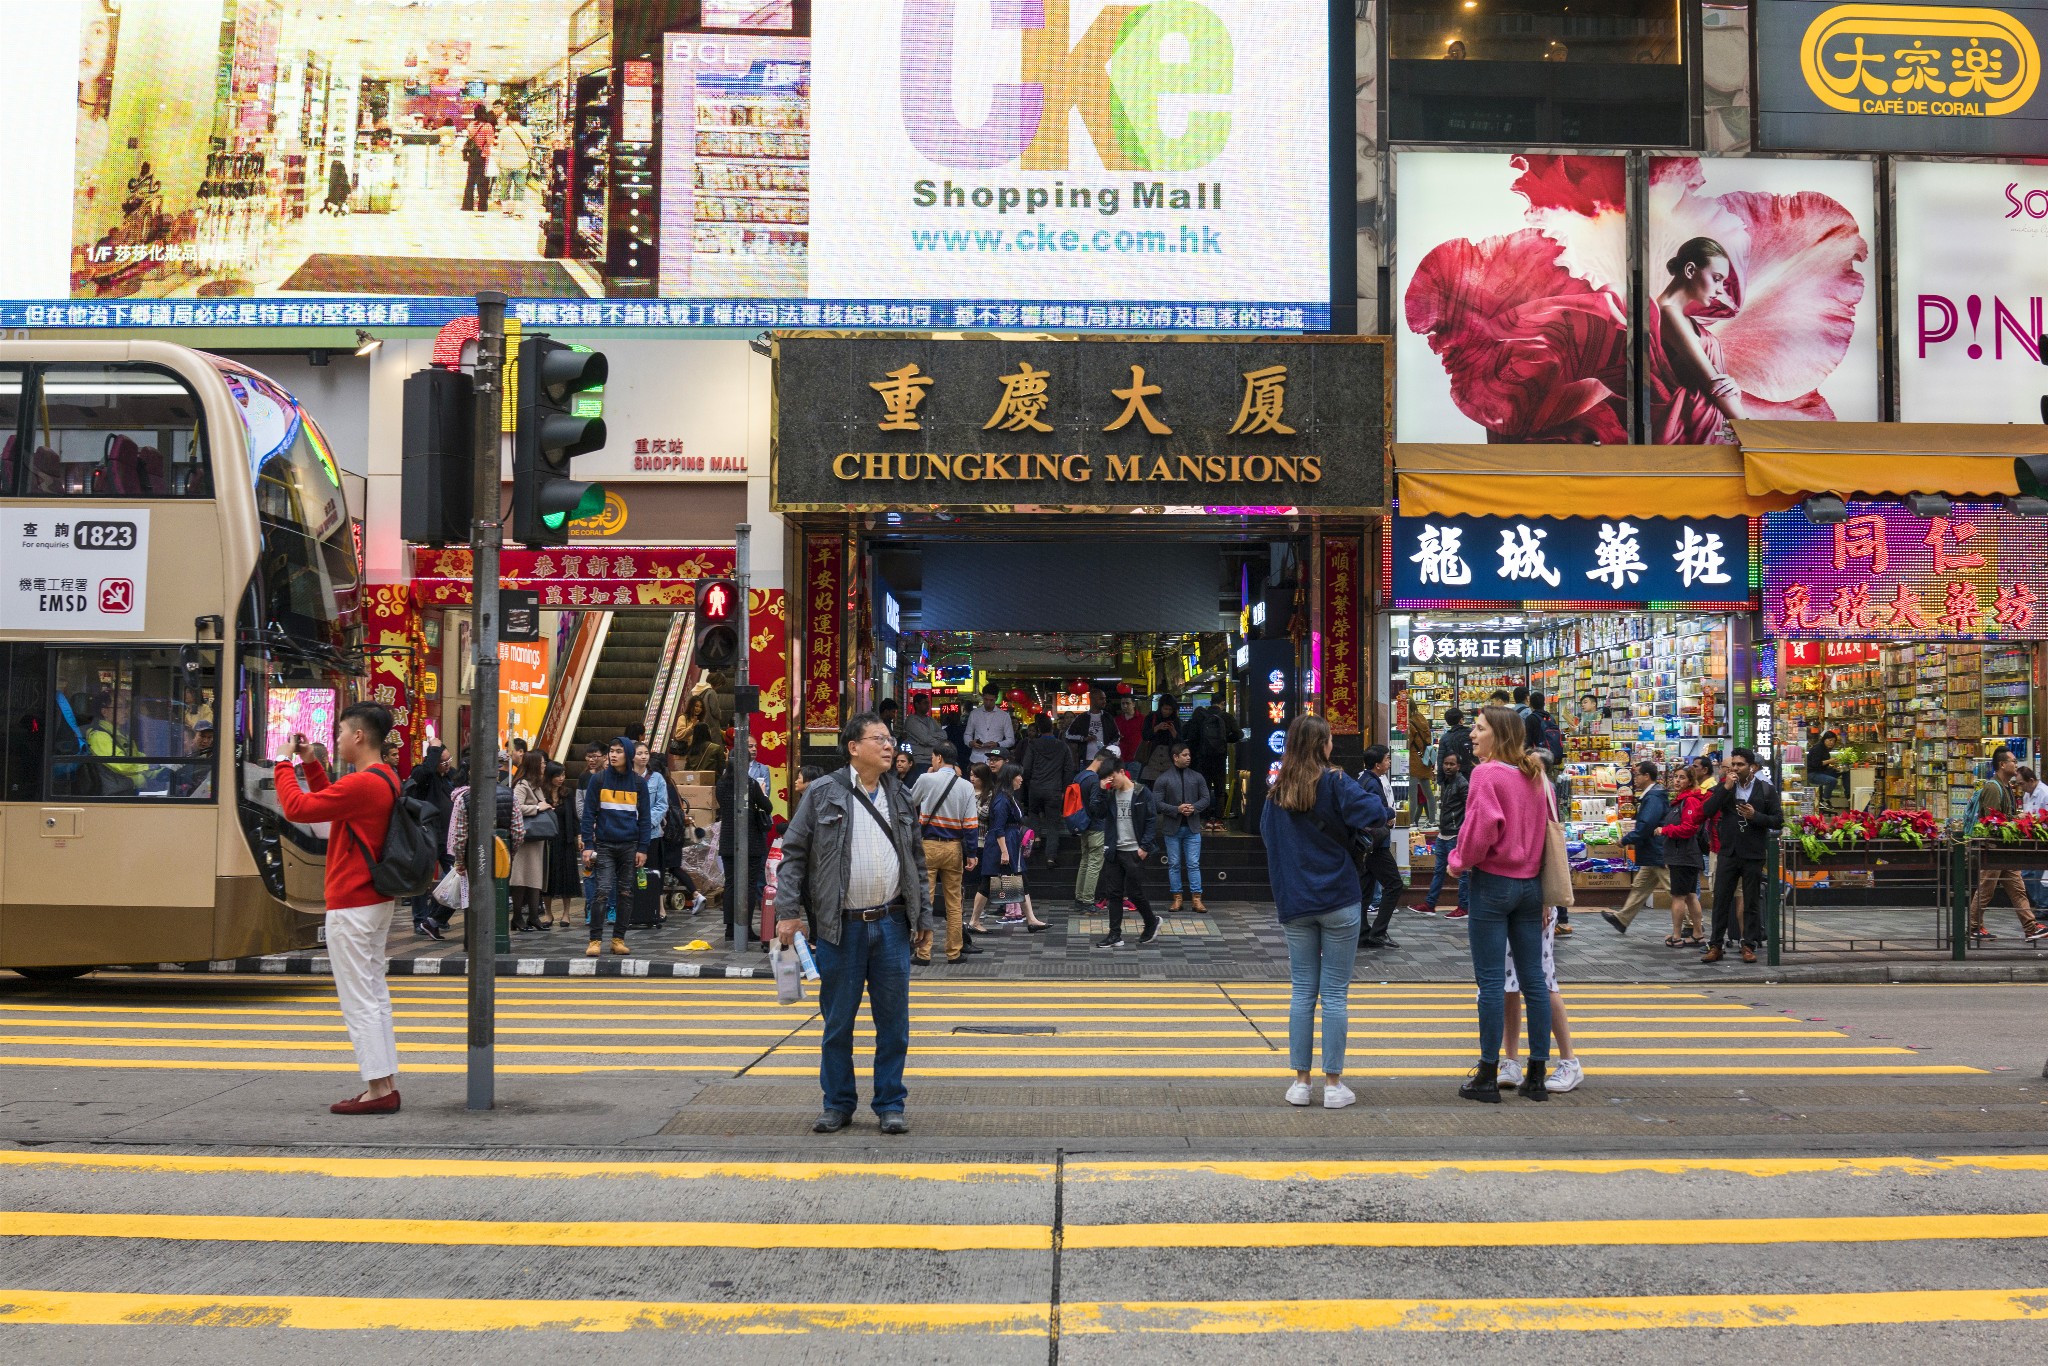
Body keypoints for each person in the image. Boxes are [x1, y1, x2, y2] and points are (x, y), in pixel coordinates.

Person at [775, 711, 932, 1135]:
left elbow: (916, 860)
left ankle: (889, 1103)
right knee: (838, 1023)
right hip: (840, 930)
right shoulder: (823, 793)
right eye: (878, 739)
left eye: (889, 739)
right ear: (853, 747)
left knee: (893, 1024)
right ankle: (838, 1103)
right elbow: (793, 857)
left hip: (893, 926)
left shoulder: (899, 795)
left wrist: (923, 917)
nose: (888, 746)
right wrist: (787, 913)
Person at [272, 703, 403, 1114]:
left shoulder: (365, 782)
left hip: (352, 902)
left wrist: (282, 761)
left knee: (358, 999)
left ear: (359, 736)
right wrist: (310, 765)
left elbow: (300, 809)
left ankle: (379, 1091)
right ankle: (384, 1084)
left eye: (342, 732)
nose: (338, 739)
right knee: (373, 994)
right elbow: (330, 810)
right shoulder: (384, 778)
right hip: (373, 901)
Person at [1260, 712, 1374, 1110]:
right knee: (1336, 995)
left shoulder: (1275, 794)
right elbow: (1376, 813)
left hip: (1296, 903)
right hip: (1340, 900)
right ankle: (1334, 1085)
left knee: (1302, 992)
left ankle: (1301, 1083)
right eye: (1328, 742)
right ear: (1323, 746)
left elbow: (1270, 847)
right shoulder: (1337, 782)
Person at [1449, 705, 1554, 1102]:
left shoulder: (1486, 773)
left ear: (1499, 735)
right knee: (1534, 981)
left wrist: (1458, 863)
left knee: (1491, 982)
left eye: (1479, 729)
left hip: (1493, 886)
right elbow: (1547, 832)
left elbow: (1479, 831)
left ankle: (1488, 1075)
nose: (1472, 735)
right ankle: (1538, 1075)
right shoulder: (1533, 773)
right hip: (1531, 888)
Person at [1651, 236, 1745, 445]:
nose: (1721, 289)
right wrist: (1752, 433)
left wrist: (1732, 388)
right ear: (1690, 270)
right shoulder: (1668, 314)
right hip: (1701, 428)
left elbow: (1717, 384)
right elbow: (1713, 383)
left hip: (1708, 423)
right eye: (1717, 278)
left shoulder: (1677, 316)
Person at [1697, 747, 1784, 964]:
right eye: (1733, 765)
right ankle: (1715, 944)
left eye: (1740, 765)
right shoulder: (1725, 786)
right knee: (1721, 900)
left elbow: (1777, 820)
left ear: (1752, 767)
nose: (1735, 768)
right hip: (1728, 851)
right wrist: (1726, 788)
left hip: (1753, 853)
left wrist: (1756, 816)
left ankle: (1748, 944)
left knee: (1751, 901)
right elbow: (1707, 810)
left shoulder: (1765, 790)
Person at [1967, 746, 2048, 942]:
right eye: (2012, 761)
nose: (2015, 764)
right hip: (1994, 850)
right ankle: (1973, 927)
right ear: (2003, 765)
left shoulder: (2006, 788)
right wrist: (2014, 820)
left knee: (2017, 887)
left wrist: (2015, 817)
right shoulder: (1993, 788)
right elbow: (1991, 821)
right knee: (1986, 888)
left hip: (2004, 850)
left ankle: (2030, 927)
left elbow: (2003, 816)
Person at [579, 738, 650, 957]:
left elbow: (645, 819)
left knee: (626, 893)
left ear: (627, 755)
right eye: (611, 751)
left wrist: (643, 848)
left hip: (630, 845)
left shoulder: (638, 783)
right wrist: (588, 845)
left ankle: (618, 940)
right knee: (602, 892)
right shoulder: (598, 780)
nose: (613, 755)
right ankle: (595, 940)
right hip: (605, 844)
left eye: (619, 751)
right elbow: (588, 814)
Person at [1496, 917, 1584, 1093]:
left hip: (1535, 905)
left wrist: (1547, 902)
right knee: (1508, 982)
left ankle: (1570, 1062)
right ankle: (1511, 1061)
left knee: (1544, 981)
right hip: (1506, 904)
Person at [912, 743, 980, 964]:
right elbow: (971, 824)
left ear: (939, 758)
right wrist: (971, 853)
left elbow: (909, 802)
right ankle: (954, 952)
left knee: (926, 900)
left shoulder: (925, 779)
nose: (931, 761)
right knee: (954, 901)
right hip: (954, 847)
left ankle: (923, 953)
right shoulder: (966, 787)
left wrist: (928, 775)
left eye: (933, 758)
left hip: (928, 846)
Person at [1090, 761, 1159, 948]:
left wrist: (1144, 847)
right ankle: (1114, 935)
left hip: (1135, 851)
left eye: (1113, 778)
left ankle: (1151, 921)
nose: (1112, 783)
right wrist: (1101, 791)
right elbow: (1098, 813)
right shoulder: (1110, 793)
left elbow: (1152, 820)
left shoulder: (1141, 792)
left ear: (1122, 772)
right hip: (1115, 850)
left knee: (1135, 892)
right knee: (1114, 893)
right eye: (1108, 781)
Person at [1603, 762, 1670, 935]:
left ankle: (1691, 924)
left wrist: (1626, 839)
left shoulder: (1653, 797)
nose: (1635, 778)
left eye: (1638, 774)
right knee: (1640, 887)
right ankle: (1622, 919)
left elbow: (1646, 825)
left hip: (1658, 851)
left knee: (1675, 890)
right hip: (1652, 851)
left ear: (1647, 776)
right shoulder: (1651, 795)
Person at [987, 763, 1050, 931]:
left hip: (1011, 842)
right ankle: (977, 920)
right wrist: (1005, 851)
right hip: (1008, 843)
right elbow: (998, 827)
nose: (1021, 779)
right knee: (997, 883)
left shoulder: (1009, 797)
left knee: (1018, 879)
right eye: (1018, 776)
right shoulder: (1003, 799)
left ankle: (1027, 918)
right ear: (1010, 778)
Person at [1154, 742, 1211, 912]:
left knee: (1193, 863)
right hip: (1172, 828)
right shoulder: (1164, 778)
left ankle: (1196, 899)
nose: (1188, 758)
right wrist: (1176, 809)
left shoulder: (1197, 777)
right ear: (1175, 757)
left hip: (1192, 827)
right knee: (1174, 864)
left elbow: (1206, 798)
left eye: (1189, 755)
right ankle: (1177, 898)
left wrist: (1194, 808)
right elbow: (1156, 803)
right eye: (1184, 755)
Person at [1657, 762, 1709, 946]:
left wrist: (1665, 830)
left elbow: (1688, 828)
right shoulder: (1682, 800)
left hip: (1684, 855)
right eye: (1675, 777)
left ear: (1690, 780)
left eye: (1682, 777)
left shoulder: (1690, 801)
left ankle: (1677, 937)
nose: (1677, 781)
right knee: (1690, 895)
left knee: (1679, 896)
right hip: (1684, 854)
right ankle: (1697, 934)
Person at [407, 745, 455, 938]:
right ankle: (420, 919)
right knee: (422, 879)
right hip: (427, 836)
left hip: (447, 837)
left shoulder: (450, 777)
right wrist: (434, 749)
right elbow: (425, 771)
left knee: (454, 877)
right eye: (443, 762)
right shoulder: (423, 775)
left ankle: (435, 917)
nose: (447, 765)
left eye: (449, 760)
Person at [1359, 745, 1404, 949]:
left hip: (1368, 844)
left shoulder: (1367, 780)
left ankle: (1362, 932)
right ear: (1377, 764)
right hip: (1376, 844)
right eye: (1387, 759)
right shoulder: (1371, 783)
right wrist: (1390, 814)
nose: (1389, 762)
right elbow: (1372, 810)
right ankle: (1378, 931)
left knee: (1365, 890)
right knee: (1394, 884)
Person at [1023, 714, 1075, 869]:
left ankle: (1037, 837)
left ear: (1038, 729)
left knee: (1033, 813)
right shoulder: (1062, 746)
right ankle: (1050, 857)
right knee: (1053, 823)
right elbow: (1069, 769)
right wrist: (1064, 789)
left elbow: (1026, 768)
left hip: (1036, 786)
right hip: (1054, 789)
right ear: (1052, 728)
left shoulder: (1033, 744)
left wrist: (1029, 783)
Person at [1422, 751, 1470, 918]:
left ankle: (1464, 907)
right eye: (1446, 763)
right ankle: (1430, 904)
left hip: (1455, 834)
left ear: (1458, 766)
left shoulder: (1462, 784)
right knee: (1439, 870)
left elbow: (1469, 808)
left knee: (1462, 873)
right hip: (1444, 833)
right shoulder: (1447, 782)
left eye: (1452, 764)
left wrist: (1463, 829)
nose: (1448, 767)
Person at [510, 751, 553, 931]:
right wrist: (537, 807)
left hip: (536, 840)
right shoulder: (522, 785)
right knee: (521, 878)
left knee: (535, 878)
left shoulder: (535, 785)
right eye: (542, 763)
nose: (544, 766)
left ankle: (534, 917)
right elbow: (516, 807)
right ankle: (518, 917)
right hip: (525, 839)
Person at [1071, 749, 1113, 913]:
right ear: (1102, 762)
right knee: (1094, 864)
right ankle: (1087, 900)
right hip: (1096, 825)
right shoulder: (1095, 780)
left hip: (1082, 823)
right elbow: (1097, 807)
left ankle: (1079, 897)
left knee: (1085, 862)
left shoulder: (1080, 776)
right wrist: (1104, 793)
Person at [494, 105, 533, 217]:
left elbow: (500, 148)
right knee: (519, 188)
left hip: (506, 163)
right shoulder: (525, 131)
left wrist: (498, 162)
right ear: (519, 120)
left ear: (508, 120)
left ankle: (506, 211)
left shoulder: (504, 131)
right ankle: (517, 212)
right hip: (522, 163)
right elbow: (530, 146)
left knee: (505, 187)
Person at [964, 685, 1017, 766]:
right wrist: (971, 743)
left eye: (991, 700)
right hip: (976, 759)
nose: (988, 703)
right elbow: (967, 734)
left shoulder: (1004, 716)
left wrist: (998, 744)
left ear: (996, 698)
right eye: (986, 699)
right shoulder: (974, 714)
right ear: (982, 697)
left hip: (995, 759)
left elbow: (1011, 740)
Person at [459, 102, 494, 212]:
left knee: (470, 181)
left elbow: (469, 138)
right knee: (482, 182)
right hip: (482, 156)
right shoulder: (488, 126)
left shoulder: (471, 125)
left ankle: (467, 205)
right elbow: (489, 142)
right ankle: (482, 206)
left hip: (472, 156)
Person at [896, 693, 947, 767]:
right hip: (919, 761)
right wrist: (938, 742)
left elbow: (944, 735)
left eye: (928, 703)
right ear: (917, 704)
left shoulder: (931, 720)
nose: (928, 705)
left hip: (933, 760)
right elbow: (925, 740)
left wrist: (929, 734)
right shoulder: (911, 720)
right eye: (925, 703)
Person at [1065, 689, 1109, 764]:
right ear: (1092, 700)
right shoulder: (1082, 718)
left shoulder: (1108, 718)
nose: (1104, 701)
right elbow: (1068, 735)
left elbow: (1115, 736)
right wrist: (1084, 738)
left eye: (1104, 699)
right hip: (1084, 760)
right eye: (1101, 699)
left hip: (1103, 759)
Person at [1407, 705, 1434, 824]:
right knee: (1428, 793)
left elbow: (1408, 743)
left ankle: (1411, 822)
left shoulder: (1410, 723)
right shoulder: (1421, 718)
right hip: (1424, 758)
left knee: (1412, 796)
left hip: (1413, 759)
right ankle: (1432, 820)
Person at [1806, 729, 1842, 812]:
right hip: (1812, 774)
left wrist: (1833, 767)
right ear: (1824, 740)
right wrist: (1829, 761)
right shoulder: (1818, 748)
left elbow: (1823, 766)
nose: (1831, 742)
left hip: (1820, 771)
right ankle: (1825, 800)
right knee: (1832, 781)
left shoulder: (1825, 749)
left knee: (1844, 771)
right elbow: (1816, 764)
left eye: (1833, 741)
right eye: (1830, 740)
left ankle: (1848, 795)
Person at [1438, 707, 1475, 779]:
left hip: (1454, 775)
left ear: (1447, 722)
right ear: (1461, 720)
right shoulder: (1472, 733)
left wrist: (1440, 779)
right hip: (1472, 773)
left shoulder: (1445, 738)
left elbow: (1441, 760)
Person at [1112, 694, 1145, 770]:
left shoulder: (1142, 719)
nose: (1125, 706)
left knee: (1133, 781)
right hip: (1120, 758)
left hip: (1135, 758)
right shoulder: (1117, 720)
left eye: (1127, 703)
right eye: (1123, 703)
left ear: (1133, 704)